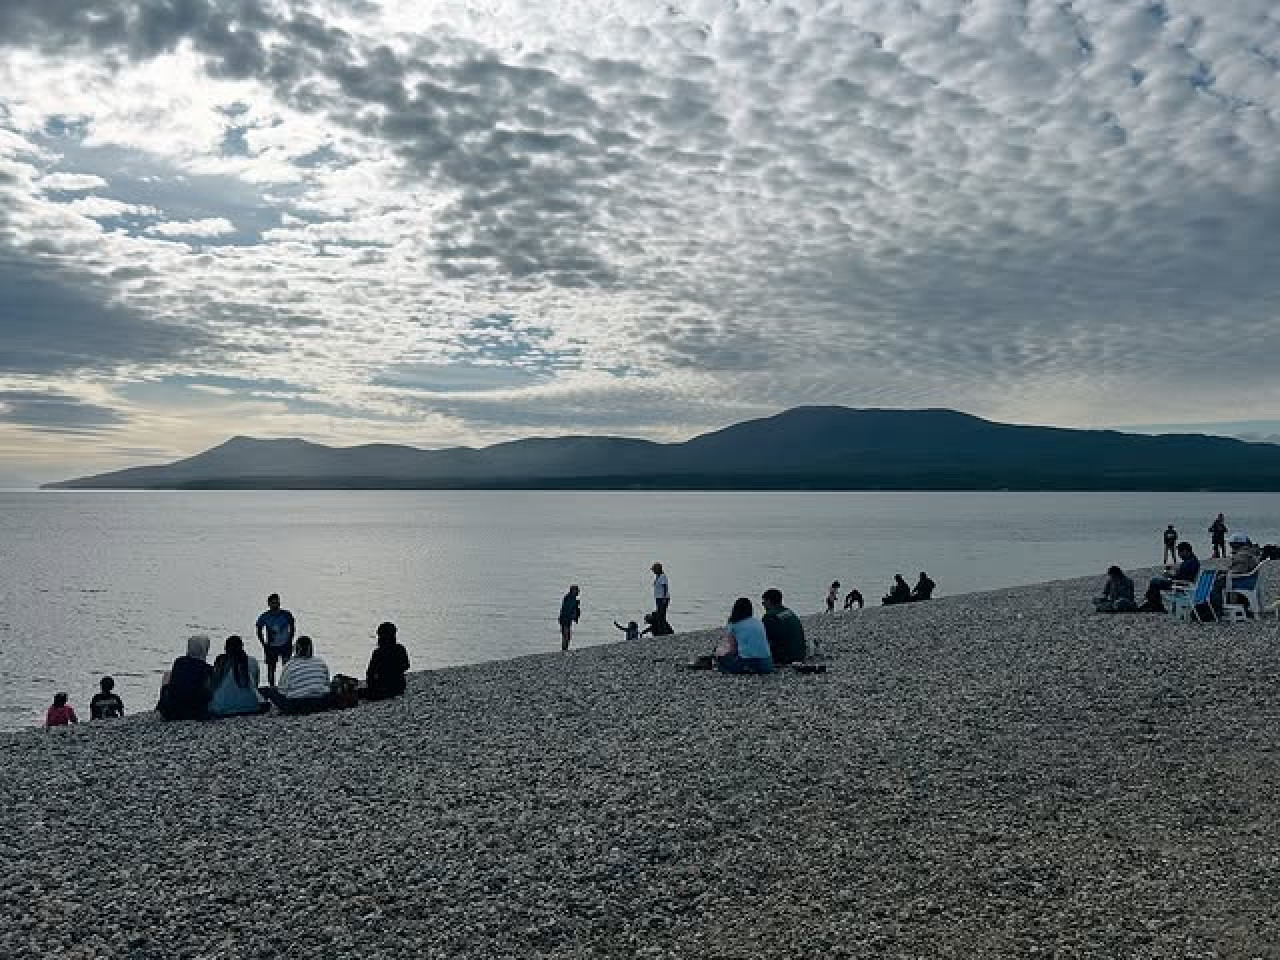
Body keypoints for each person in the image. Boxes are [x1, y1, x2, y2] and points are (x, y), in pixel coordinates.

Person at [265, 635, 333, 714]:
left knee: (270, 690)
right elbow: (327, 684)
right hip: (322, 703)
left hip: (297, 705)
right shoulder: (321, 662)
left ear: (296, 649)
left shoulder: (290, 664)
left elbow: (282, 690)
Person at [209, 635, 269, 717]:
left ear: (226, 648)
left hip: (223, 708)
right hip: (251, 706)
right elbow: (255, 683)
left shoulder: (222, 661)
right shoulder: (252, 661)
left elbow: (214, 684)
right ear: (242, 647)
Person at [158, 634, 214, 721]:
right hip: (194, 713)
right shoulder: (207, 669)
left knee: (167, 674)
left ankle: (159, 705)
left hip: (170, 711)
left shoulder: (179, 662)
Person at [714, 597, 773, 674]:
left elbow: (733, 650)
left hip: (749, 664)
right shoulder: (758, 622)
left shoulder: (733, 624)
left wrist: (720, 652)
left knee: (720, 655)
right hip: (767, 664)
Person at [1141, 541, 1200, 612]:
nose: (1179, 555)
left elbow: (1179, 578)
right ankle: (1154, 603)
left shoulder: (1188, 563)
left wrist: (1169, 576)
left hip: (1181, 585)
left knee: (1154, 582)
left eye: (1179, 553)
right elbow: (1183, 575)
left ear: (1185, 551)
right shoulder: (1193, 561)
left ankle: (1155, 605)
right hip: (1185, 584)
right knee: (1155, 582)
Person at [255, 593, 296, 687]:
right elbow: (259, 630)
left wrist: (290, 640)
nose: (276, 605)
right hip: (271, 646)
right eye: (273, 603)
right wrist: (264, 644)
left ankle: (287, 685)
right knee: (271, 668)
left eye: (277, 602)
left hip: (285, 645)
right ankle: (272, 687)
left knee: (286, 668)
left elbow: (292, 627)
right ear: (269, 604)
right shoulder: (265, 616)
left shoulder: (287, 614)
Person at [362, 621, 410, 700]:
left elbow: (370, 672)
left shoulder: (378, 652)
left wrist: (372, 686)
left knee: (362, 693)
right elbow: (406, 665)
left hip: (384, 687)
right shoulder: (400, 648)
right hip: (399, 687)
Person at [761, 588, 807, 665]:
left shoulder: (770, 616)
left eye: (763, 602)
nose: (763, 605)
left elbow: (763, 638)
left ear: (769, 601)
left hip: (786, 657)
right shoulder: (789, 611)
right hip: (800, 654)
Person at [559, 585, 581, 651]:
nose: (578, 592)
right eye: (577, 590)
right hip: (565, 619)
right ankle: (564, 649)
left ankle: (565, 649)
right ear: (573, 591)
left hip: (566, 619)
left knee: (567, 635)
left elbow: (573, 610)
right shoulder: (569, 598)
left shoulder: (572, 598)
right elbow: (568, 609)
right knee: (566, 635)